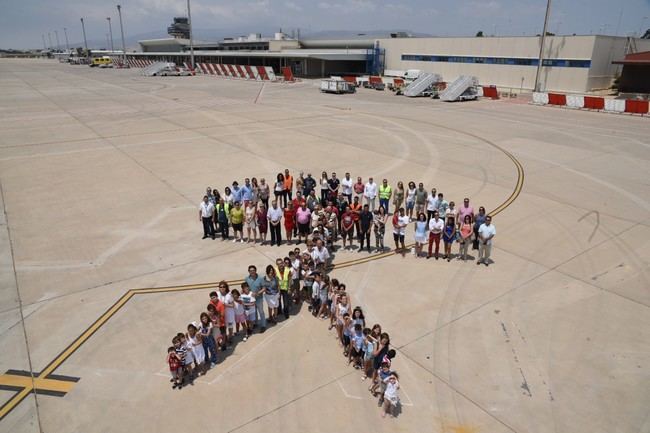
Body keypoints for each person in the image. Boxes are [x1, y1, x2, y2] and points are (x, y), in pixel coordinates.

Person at [245, 265, 266, 333]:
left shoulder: (260, 278)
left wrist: (257, 293)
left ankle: (263, 325)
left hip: (259, 298)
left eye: (253, 270)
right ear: (248, 271)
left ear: (256, 270)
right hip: (251, 299)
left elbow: (264, 288)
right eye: (250, 271)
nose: (252, 272)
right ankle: (255, 323)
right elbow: (245, 287)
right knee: (254, 312)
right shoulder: (246, 279)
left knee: (261, 312)